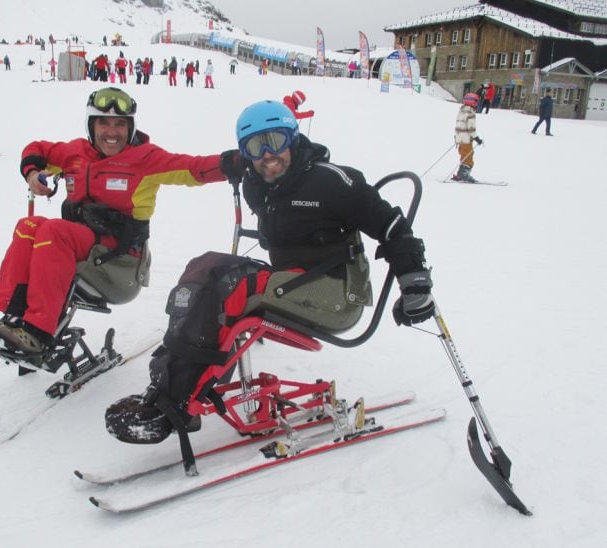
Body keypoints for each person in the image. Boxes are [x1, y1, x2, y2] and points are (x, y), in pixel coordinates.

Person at [105, 100, 435, 445]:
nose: (267, 155)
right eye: (254, 147)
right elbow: (233, 168)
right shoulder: (257, 183)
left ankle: (175, 403)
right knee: (203, 268)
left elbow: (393, 225)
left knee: (233, 288)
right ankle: (176, 380)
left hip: (336, 294)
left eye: (275, 141)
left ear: (293, 138)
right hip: (293, 281)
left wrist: (414, 282)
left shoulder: (331, 181)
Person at [0, 88, 232, 356]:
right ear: (91, 125)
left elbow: (192, 168)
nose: (112, 132)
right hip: (82, 249)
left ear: (130, 127)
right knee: (28, 226)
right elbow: (36, 149)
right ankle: (14, 319)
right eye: (103, 123)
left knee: (54, 230)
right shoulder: (76, 153)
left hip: (120, 265)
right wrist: (33, 173)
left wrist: (232, 163)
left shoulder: (145, 159)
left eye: (120, 124)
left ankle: (37, 332)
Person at [452, 92, 483, 183]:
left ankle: (460, 174)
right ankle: (464, 174)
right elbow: (471, 128)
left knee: (464, 155)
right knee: (469, 156)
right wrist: (477, 138)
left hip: (459, 138)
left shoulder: (461, 111)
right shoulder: (471, 113)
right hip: (466, 139)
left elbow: (459, 125)